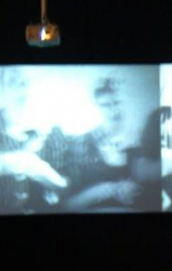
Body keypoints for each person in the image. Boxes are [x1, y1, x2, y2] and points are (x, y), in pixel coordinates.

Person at [0, 66, 67, 215]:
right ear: (1, 87)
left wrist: (41, 172)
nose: (20, 90)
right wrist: (0, 162)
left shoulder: (53, 130)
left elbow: (65, 188)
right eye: (12, 82)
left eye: (26, 82)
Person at [48, 76, 158, 212]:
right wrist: (110, 189)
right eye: (105, 105)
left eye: (117, 103)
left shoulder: (139, 147)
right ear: (94, 108)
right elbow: (66, 205)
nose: (114, 110)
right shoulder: (79, 144)